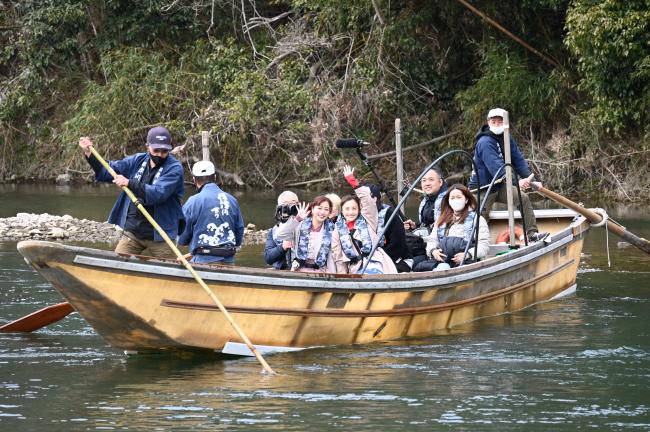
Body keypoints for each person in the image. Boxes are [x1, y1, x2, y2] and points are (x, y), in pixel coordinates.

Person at [78, 126, 184, 257]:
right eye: (156, 150)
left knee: (170, 272)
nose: (160, 155)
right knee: (117, 265)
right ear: (147, 146)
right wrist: (90, 154)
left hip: (161, 234)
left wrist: (129, 182)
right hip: (134, 232)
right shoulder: (138, 160)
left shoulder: (174, 168)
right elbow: (108, 171)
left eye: (164, 151)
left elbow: (158, 193)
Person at [468, 108, 548, 242]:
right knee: (480, 218)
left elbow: (517, 159)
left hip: (499, 185)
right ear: (488, 122)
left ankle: (532, 235)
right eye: (494, 121)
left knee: (523, 199)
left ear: (505, 123)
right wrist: (517, 182)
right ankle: (473, 246)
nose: (497, 124)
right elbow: (498, 168)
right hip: (482, 189)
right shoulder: (485, 142)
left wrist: (530, 178)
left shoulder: (506, 137)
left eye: (500, 122)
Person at [330, 166, 397, 275]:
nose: (350, 212)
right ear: (341, 211)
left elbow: (367, 200)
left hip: (374, 262)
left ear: (359, 209)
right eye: (347, 209)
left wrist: (352, 181)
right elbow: (338, 257)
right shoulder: (337, 230)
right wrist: (342, 276)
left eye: (354, 208)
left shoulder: (368, 220)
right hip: (355, 268)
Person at [177, 160, 244, 264]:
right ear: (215, 177)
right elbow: (239, 231)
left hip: (203, 259)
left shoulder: (193, 201)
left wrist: (184, 241)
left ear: (194, 180)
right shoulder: (232, 200)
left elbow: (182, 236)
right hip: (228, 259)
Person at [415, 184, 490, 271]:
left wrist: (467, 254)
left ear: (466, 200)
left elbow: (484, 246)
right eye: (452, 198)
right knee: (418, 265)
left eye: (459, 197)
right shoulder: (441, 220)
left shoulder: (477, 219)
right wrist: (433, 251)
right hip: (441, 262)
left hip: (466, 264)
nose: (455, 200)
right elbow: (432, 240)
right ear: (448, 201)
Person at [275, 195, 336, 273]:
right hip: (299, 270)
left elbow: (331, 257)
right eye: (319, 208)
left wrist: (332, 275)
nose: (322, 212)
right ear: (312, 209)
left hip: (321, 271)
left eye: (326, 209)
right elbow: (280, 235)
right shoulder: (299, 225)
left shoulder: (332, 229)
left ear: (329, 212)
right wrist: (297, 219)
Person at [368, 184, 412, 273]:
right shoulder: (361, 216)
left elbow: (397, 244)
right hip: (371, 259)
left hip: (397, 259)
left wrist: (380, 259)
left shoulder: (390, 215)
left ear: (374, 199)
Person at [264, 190, 299, 269]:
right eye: (286, 204)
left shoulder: (306, 225)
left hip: (302, 269)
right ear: (279, 209)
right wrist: (282, 247)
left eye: (293, 203)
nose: (290, 207)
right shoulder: (274, 231)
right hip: (282, 269)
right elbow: (268, 258)